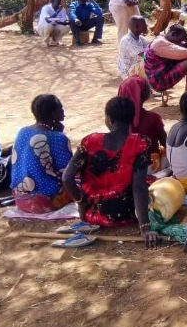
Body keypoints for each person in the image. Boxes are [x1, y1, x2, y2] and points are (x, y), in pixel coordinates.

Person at [62, 97, 159, 246]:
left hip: (92, 216)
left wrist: (81, 204)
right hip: (125, 215)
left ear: (109, 119)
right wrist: (145, 227)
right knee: (153, 185)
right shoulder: (141, 143)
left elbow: (67, 178)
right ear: (132, 118)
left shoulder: (89, 141)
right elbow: (139, 187)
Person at [10, 95, 73, 213]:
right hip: (45, 202)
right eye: (60, 108)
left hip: (21, 200)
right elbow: (67, 172)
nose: (63, 111)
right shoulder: (58, 137)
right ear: (53, 113)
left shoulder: (23, 131)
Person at [117, 76, 167, 170]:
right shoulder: (153, 118)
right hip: (151, 167)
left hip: (126, 167)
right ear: (144, 95)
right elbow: (165, 142)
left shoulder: (115, 121)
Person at [144, 24, 187, 94]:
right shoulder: (159, 43)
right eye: (180, 40)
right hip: (159, 81)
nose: (180, 42)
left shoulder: (166, 39)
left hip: (163, 74)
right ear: (173, 34)